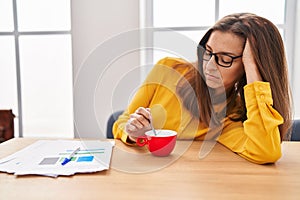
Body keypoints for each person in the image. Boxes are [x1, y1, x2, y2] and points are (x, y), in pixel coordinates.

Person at [112, 13, 292, 164]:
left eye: (225, 58)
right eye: (208, 52)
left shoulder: (232, 115)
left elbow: (266, 152)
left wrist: (253, 67)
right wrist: (133, 133)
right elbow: (122, 122)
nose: (210, 66)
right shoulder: (168, 69)